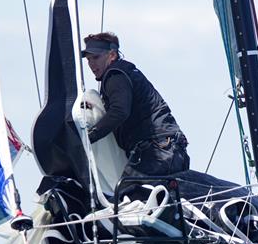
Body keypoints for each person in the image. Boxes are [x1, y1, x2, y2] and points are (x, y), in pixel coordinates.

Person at [80, 32, 189, 178]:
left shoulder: (115, 74)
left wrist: (88, 137)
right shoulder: (126, 72)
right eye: (88, 60)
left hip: (158, 151)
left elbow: (119, 111)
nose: (91, 64)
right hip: (170, 149)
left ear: (112, 55)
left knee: (128, 193)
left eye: (96, 57)